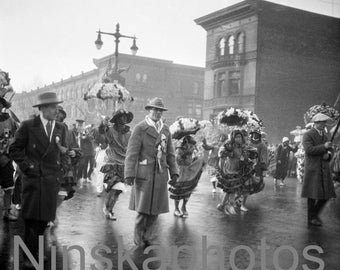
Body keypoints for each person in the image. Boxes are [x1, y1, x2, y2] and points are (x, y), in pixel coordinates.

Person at [9, 92, 68, 267]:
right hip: (33, 179)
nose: (56, 110)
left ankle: (37, 251)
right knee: (31, 220)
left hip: (51, 180)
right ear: (42, 109)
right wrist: (28, 166)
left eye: (57, 107)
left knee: (44, 220)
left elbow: (63, 150)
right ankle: (28, 256)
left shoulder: (60, 128)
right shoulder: (28, 126)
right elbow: (14, 149)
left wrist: (62, 169)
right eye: (52, 107)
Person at [124, 97, 178, 247]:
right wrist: (129, 173)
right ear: (149, 110)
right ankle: (138, 236)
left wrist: (174, 172)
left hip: (160, 174)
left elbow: (170, 153)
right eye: (154, 109)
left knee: (155, 210)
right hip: (144, 174)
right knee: (143, 210)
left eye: (160, 110)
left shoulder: (166, 130)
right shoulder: (140, 128)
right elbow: (132, 153)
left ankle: (147, 236)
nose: (157, 113)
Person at [301, 113, 336, 226]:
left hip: (324, 169)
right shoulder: (308, 135)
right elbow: (309, 149)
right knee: (312, 195)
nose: (324, 124)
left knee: (327, 194)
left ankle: (314, 214)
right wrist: (324, 147)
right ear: (316, 123)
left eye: (325, 122)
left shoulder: (325, 136)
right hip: (313, 168)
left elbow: (331, 150)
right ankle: (311, 217)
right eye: (322, 122)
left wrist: (329, 154)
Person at [101, 110, 133, 220]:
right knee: (114, 187)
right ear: (117, 119)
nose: (124, 119)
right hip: (112, 162)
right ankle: (107, 208)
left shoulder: (129, 132)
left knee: (118, 191)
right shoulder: (109, 130)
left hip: (124, 163)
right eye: (121, 117)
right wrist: (103, 123)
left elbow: (133, 145)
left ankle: (109, 209)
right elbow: (101, 134)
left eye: (125, 117)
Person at [168, 135, 205, 218]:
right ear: (186, 142)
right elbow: (177, 160)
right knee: (178, 190)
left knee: (188, 190)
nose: (192, 146)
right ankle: (176, 209)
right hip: (181, 171)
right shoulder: (179, 149)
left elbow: (194, 156)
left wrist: (195, 159)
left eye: (192, 144)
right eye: (190, 143)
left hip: (188, 170)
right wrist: (185, 154)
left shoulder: (192, 148)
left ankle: (184, 207)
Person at [0, 96, 18, 221]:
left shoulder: (10, 120)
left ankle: (7, 211)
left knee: (8, 186)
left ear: (2, 106)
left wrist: (9, 149)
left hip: (6, 158)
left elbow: (18, 135)